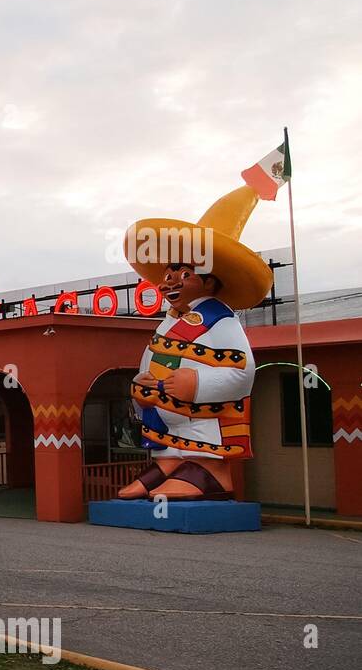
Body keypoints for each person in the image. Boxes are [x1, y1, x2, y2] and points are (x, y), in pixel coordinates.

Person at [117, 185, 274, 501]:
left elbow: (243, 368)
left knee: (203, 440)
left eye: (181, 274)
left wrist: (198, 382)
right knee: (169, 444)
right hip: (166, 420)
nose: (168, 282)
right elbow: (153, 356)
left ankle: (210, 473)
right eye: (167, 274)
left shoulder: (221, 320)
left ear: (209, 280)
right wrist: (141, 385)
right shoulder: (170, 320)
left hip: (205, 420)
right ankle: (170, 465)